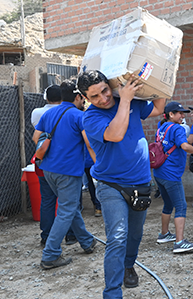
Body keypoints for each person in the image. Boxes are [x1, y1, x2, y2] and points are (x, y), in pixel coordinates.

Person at [79, 70, 166, 298]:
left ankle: (129, 265)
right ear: (87, 99)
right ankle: (112, 292)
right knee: (117, 237)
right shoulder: (91, 117)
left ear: (110, 86)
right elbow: (115, 134)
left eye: (105, 91)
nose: (103, 99)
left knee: (135, 235)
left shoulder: (129, 100)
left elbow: (157, 108)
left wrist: (159, 81)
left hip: (140, 182)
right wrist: (125, 100)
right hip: (111, 185)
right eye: (95, 96)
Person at [33, 79, 97, 269]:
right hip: (68, 171)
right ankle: (50, 254)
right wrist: (99, 166)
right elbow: (89, 143)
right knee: (67, 210)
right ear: (78, 97)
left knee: (70, 208)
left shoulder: (49, 113)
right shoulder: (79, 116)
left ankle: (86, 242)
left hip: (48, 169)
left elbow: (37, 138)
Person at [154, 101, 193, 253]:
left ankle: (164, 234)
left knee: (168, 204)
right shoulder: (177, 128)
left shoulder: (161, 126)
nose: (183, 115)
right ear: (171, 114)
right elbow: (184, 146)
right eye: (180, 113)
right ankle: (179, 242)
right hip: (171, 174)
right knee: (181, 206)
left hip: (159, 172)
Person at [31, 85, 77, 246]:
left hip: (44, 164)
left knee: (48, 201)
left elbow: (36, 137)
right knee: (69, 203)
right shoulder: (73, 114)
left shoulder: (38, 113)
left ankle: (46, 236)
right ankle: (71, 235)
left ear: (46, 97)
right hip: (66, 166)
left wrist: (47, 149)